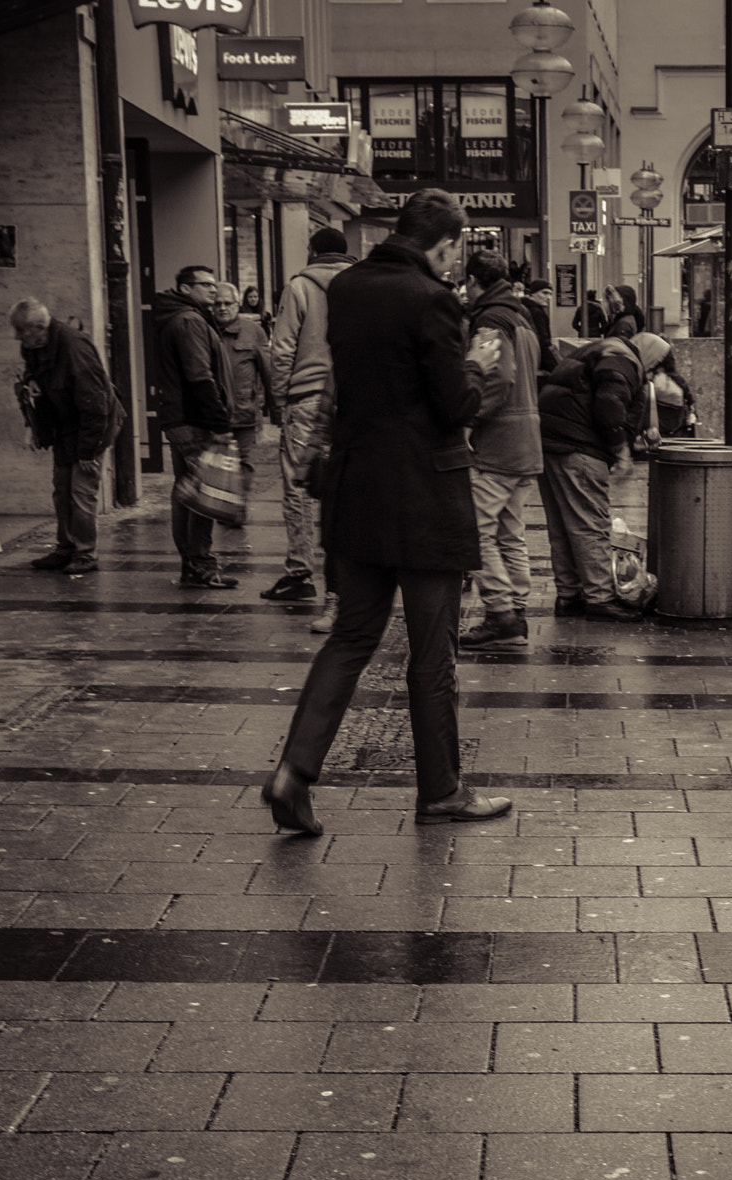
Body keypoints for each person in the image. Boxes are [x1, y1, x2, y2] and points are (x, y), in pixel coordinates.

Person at [262, 189, 507, 837]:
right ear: (446, 245)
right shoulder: (431, 300)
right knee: (433, 654)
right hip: (424, 501)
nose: (459, 262)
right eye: (459, 249)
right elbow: (454, 406)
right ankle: (442, 792)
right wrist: (477, 365)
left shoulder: (348, 288)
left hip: (357, 492)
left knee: (350, 639)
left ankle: (292, 774)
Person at [538, 325, 666, 622]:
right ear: (651, 359)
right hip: (578, 449)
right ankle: (600, 598)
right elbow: (609, 404)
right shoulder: (624, 361)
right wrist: (621, 450)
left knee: (562, 526)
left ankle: (568, 596)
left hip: (549, 440)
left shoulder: (602, 350)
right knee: (590, 524)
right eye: (656, 369)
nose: (652, 375)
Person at [266, 226, 357, 617]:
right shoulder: (361, 284)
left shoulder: (299, 287)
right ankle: (349, 578)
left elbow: (282, 348)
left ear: (313, 251)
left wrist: (281, 397)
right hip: (352, 397)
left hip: (307, 397)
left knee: (299, 484)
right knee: (348, 486)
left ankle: (300, 571)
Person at [458, 248, 545, 651]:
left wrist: (470, 419)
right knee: (510, 532)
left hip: (499, 444)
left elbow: (497, 377)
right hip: (527, 438)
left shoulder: (491, 319)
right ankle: (518, 610)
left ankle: (500, 614)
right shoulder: (522, 315)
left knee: (475, 531)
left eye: (466, 283)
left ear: (475, 282)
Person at [11, 297, 122, 576]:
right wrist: (30, 381)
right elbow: (32, 372)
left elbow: (96, 404)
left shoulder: (74, 347)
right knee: (62, 490)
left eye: (21, 330)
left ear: (38, 327)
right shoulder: (33, 345)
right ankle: (66, 548)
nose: (16, 336)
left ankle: (86, 554)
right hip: (65, 426)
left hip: (92, 426)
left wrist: (88, 451)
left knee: (81, 492)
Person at [153, 263, 239, 589]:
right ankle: (201, 564)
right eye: (206, 285)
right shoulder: (189, 321)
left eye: (214, 285)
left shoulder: (184, 317)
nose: (213, 291)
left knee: (186, 493)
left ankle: (191, 564)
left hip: (182, 420)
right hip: (194, 421)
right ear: (186, 288)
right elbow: (200, 376)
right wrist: (219, 423)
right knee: (205, 495)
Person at [213, 281, 278, 467]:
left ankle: (242, 497)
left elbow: (268, 373)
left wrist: (277, 412)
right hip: (212, 416)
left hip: (244, 413)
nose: (222, 308)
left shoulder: (253, 331)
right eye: (217, 304)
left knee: (244, 465)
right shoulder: (205, 329)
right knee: (214, 470)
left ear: (237, 305)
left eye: (227, 303)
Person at [651, 353, 696, 439]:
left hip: (658, 425)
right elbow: (688, 395)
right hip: (676, 425)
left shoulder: (654, 379)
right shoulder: (677, 378)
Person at [521, 279, 559, 373]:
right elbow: (543, 342)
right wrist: (555, 368)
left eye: (550, 294)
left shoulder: (524, 308)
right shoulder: (537, 312)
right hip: (538, 361)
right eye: (544, 293)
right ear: (533, 293)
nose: (548, 297)